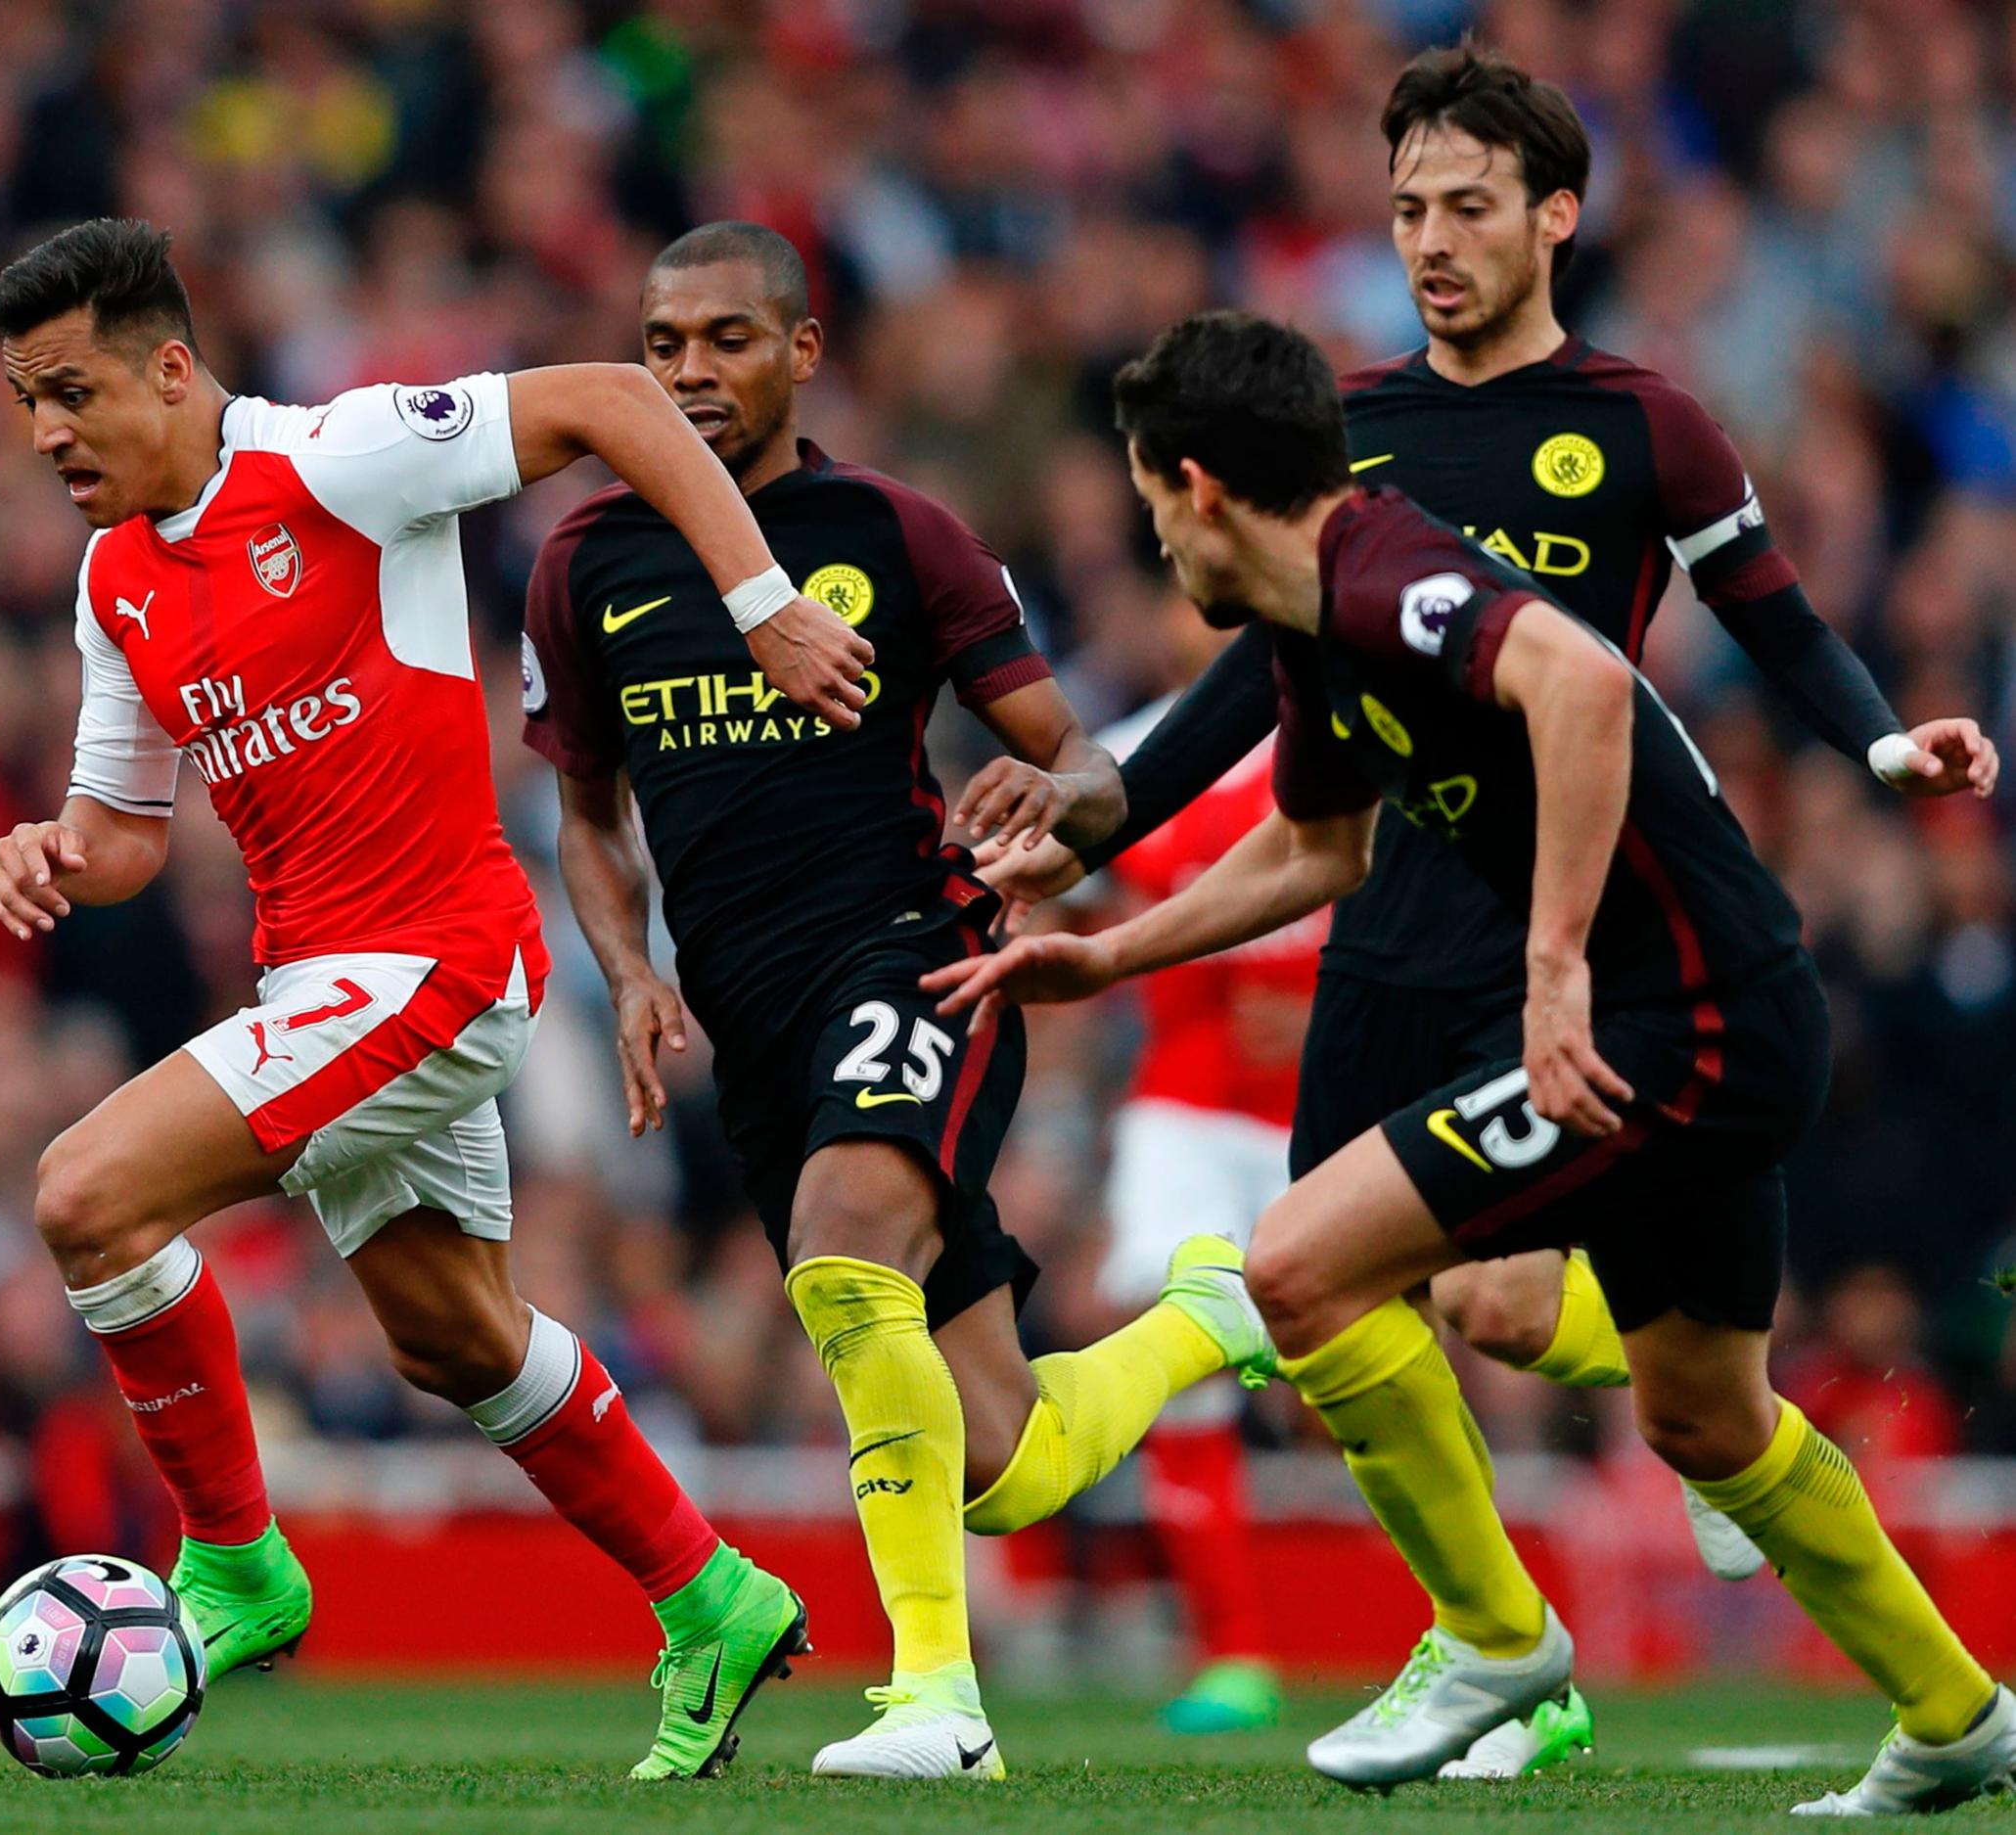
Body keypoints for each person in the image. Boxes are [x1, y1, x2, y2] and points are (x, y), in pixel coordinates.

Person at [979, 43, 2004, 1772]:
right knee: (1432, 1313)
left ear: (1556, 216)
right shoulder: (1349, 440)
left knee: (1423, 1294)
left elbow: (1757, 620)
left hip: (1606, 943)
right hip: (1403, 910)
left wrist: (1883, 740)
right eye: (1406, 211)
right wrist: (1115, 818)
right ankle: (1916, 1710)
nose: (1432, 241)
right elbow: (1274, 689)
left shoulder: (1639, 421)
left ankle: (1494, 1641)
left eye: (1466, 206)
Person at [0, 217, 874, 1779]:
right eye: (25, 403)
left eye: (69, 391)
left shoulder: (342, 458)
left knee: (85, 1195)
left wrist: (760, 600)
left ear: (172, 370)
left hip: (437, 962)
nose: (47, 432)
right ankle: (714, 1593)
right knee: (452, 1334)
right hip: (327, 976)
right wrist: (51, 850)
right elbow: (127, 834)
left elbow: (612, 397)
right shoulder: (115, 579)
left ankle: (238, 1562)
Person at [522, 222, 1272, 1781]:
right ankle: (1216, 1309)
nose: (690, 373)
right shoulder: (585, 561)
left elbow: (1075, 754)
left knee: (841, 1248)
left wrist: (1045, 805)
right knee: (999, 1455)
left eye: (726, 339)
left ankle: (939, 1697)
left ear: (800, 352)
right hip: (749, 1011)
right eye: (662, 348)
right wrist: (629, 970)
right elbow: (588, 810)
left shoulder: (897, 530)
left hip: (913, 953)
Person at [1084, 666, 1321, 1737]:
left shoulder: (1372, 721)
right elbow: (1075, 879)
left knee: (1362, 1369)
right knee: (1177, 1356)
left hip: (1325, 1115)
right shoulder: (1142, 746)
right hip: (1183, 1106)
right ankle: (1231, 1654)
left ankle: (1473, 1631)